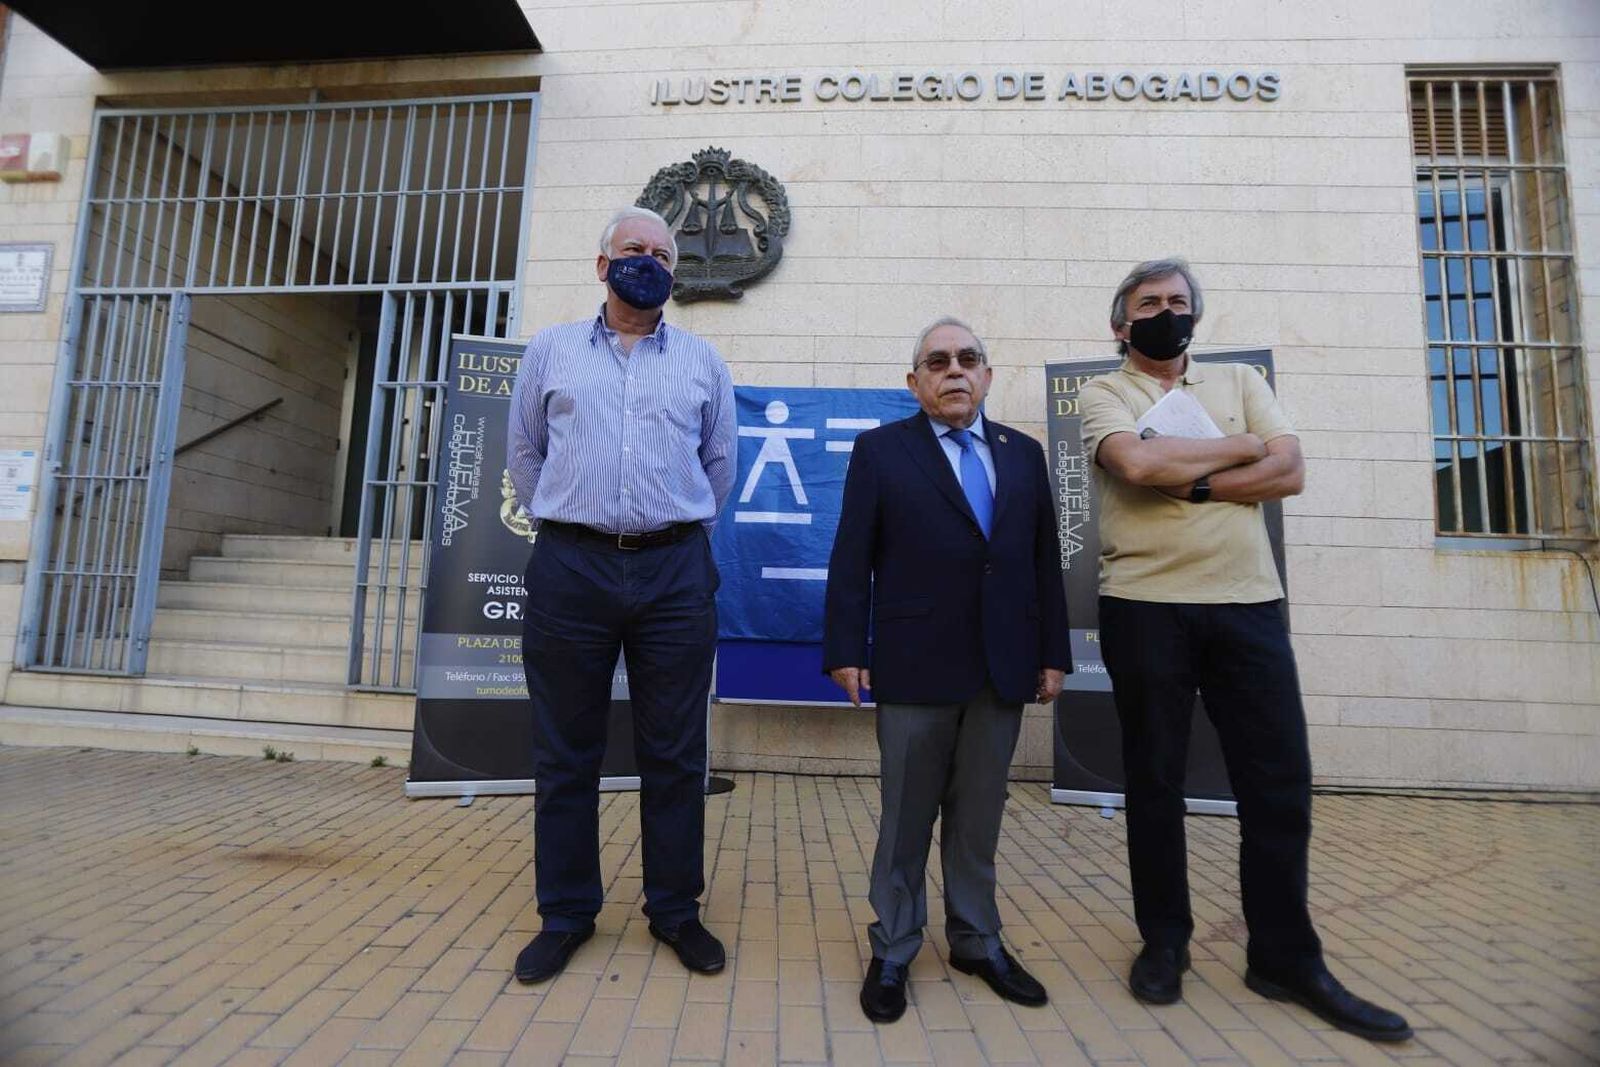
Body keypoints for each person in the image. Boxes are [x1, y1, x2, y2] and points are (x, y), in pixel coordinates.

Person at [1078, 258, 1412, 1042]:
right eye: (1149, 304)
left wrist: (1190, 478)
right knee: (1154, 781)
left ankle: (1284, 955)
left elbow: (1288, 469)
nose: (1166, 313)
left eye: (1178, 303)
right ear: (1121, 324)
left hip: (1249, 608)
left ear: (1196, 316)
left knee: (1279, 784)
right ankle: (1164, 941)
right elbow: (1134, 463)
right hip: (1145, 607)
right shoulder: (1106, 393)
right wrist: (1239, 454)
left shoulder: (1239, 384)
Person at [505, 206, 736, 984]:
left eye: (663, 253)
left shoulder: (703, 359)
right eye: (633, 249)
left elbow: (719, 466)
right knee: (565, 751)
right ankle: (566, 913)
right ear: (602, 265)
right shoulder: (551, 350)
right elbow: (526, 455)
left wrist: (665, 529)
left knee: (675, 751)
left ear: (675, 273)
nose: (648, 260)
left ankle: (675, 909)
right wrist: (580, 525)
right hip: (572, 567)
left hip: (675, 570)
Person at [823, 317, 1072, 1023]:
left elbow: (1042, 563)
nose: (954, 369)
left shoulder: (1022, 456)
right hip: (913, 664)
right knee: (906, 816)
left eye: (969, 358)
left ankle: (976, 938)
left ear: (988, 377)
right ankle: (895, 946)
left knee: (979, 817)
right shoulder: (881, 452)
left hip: (1003, 668)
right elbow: (851, 558)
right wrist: (846, 648)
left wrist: (1054, 651)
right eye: (938, 361)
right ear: (915, 382)